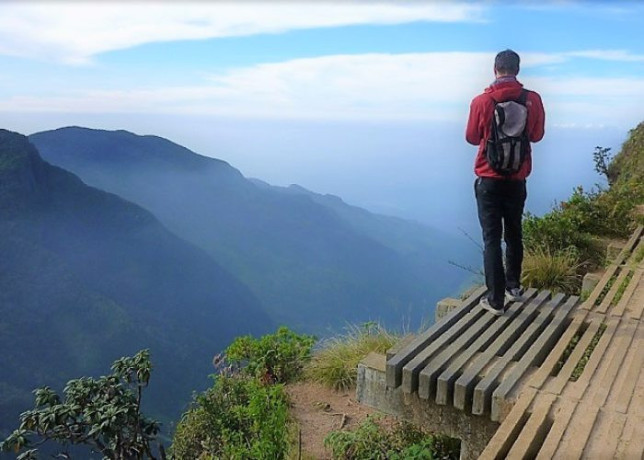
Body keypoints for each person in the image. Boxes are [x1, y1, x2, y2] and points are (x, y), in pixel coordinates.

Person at [466, 49, 545, 316]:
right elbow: (536, 135)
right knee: (514, 233)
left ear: (495, 69)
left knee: (491, 239)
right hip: (517, 178)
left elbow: (471, 136)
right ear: (517, 70)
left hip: (488, 179)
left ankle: (495, 300)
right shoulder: (532, 99)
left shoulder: (481, 101)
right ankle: (514, 287)